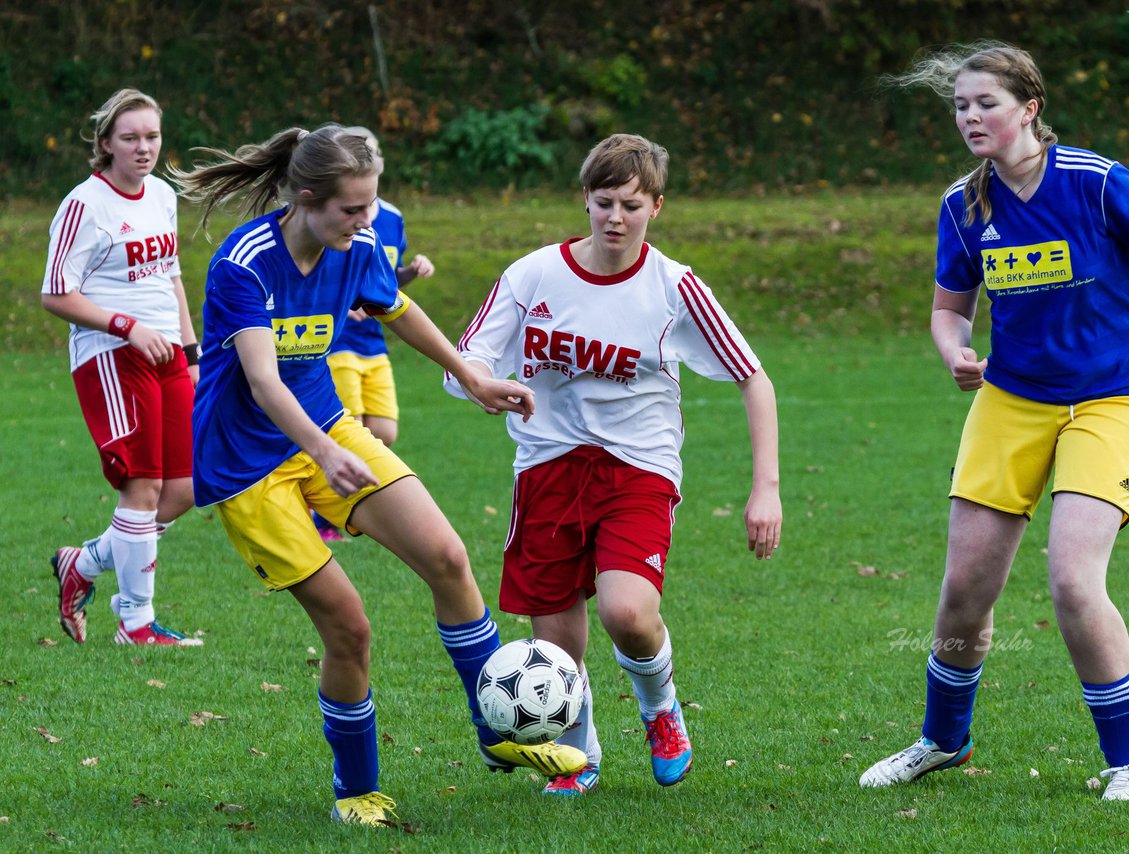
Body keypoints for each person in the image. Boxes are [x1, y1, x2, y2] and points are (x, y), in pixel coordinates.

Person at [170, 124, 587, 826]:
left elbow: (397, 308)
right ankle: (355, 790)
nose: (367, 224)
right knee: (350, 628)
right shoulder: (243, 263)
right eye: (352, 210)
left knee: (449, 558)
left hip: (326, 428)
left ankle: (500, 732)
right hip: (245, 466)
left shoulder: (355, 246)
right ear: (308, 198)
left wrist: (472, 376)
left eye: (370, 207)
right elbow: (264, 382)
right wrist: (326, 453)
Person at [860, 43, 1129, 801]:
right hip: (1012, 399)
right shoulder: (963, 206)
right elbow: (947, 311)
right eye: (961, 106)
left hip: (1113, 397)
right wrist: (955, 351)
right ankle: (942, 740)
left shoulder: (1097, 183)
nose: (969, 117)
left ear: (1029, 109)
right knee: (964, 585)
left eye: (985, 104)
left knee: (1072, 579)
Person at [445, 133, 782, 797]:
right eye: (604, 203)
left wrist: (764, 489)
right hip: (546, 469)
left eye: (632, 204)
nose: (616, 218)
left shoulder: (675, 287)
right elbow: (470, 359)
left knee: (627, 614)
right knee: (557, 643)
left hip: (637, 469)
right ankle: (579, 753)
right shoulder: (533, 275)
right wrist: (484, 382)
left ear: (657, 206)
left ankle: (661, 711)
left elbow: (754, 378)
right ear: (586, 201)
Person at [41, 88, 202, 647]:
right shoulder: (84, 204)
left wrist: (190, 351)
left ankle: (83, 564)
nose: (143, 147)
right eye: (130, 138)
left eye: (152, 136)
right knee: (144, 484)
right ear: (105, 143)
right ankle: (136, 623)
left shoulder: (161, 194)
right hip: (110, 355)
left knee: (183, 488)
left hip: (167, 357)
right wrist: (126, 326)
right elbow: (56, 294)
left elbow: (172, 276)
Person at [311, 127, 435, 543]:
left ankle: (337, 503)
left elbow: (382, 283)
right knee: (352, 427)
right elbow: (324, 278)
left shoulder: (392, 218)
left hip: (374, 342)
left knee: (385, 430)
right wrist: (342, 307)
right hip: (338, 340)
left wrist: (410, 274)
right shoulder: (328, 218)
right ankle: (330, 516)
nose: (360, 220)